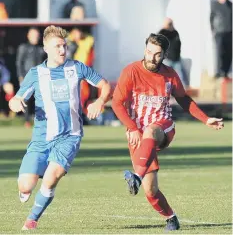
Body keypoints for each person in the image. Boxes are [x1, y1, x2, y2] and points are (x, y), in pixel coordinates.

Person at [111, 33, 224, 231]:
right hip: (138, 134)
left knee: (151, 130)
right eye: (149, 52)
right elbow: (117, 104)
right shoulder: (130, 71)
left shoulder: (170, 74)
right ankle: (171, 217)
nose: (151, 58)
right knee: (150, 190)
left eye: (157, 54)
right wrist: (132, 127)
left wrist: (206, 119)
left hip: (163, 127)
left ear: (164, 55)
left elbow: (184, 100)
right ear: (145, 50)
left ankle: (135, 176)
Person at [9, 25, 111, 231]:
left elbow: (105, 85)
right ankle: (31, 180)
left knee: (50, 178)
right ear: (46, 48)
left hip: (69, 137)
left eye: (64, 46)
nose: (63, 50)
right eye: (58, 46)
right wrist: (16, 103)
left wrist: (100, 102)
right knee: (25, 186)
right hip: (41, 139)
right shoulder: (36, 74)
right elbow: (16, 98)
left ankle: (32, 219)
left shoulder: (77, 68)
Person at [16, 27, 45, 127]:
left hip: (41, 77)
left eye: (37, 35)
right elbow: (19, 63)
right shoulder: (23, 47)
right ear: (28, 36)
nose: (35, 37)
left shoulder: (42, 48)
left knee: (41, 99)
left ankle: (41, 120)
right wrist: (21, 76)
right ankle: (27, 121)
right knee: (26, 99)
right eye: (33, 35)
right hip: (27, 77)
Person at [210, 0, 232, 78]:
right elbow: (211, 18)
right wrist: (213, 29)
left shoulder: (230, 5)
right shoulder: (215, 5)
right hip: (219, 32)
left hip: (229, 32)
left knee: (229, 52)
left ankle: (226, 71)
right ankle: (219, 71)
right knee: (219, 52)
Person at [159, 18, 186, 86]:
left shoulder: (175, 32)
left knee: (179, 77)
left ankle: (181, 93)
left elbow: (178, 44)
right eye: (169, 24)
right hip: (167, 60)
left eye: (171, 23)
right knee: (165, 77)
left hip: (176, 59)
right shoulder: (162, 33)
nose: (171, 25)